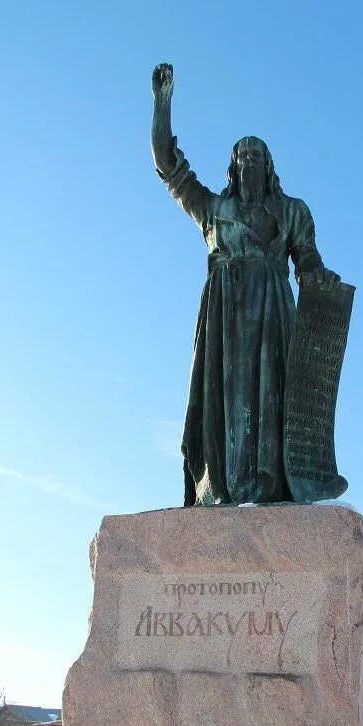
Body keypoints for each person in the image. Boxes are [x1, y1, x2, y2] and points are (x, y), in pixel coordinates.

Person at [151, 63, 340, 506]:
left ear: (270, 167)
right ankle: (221, 485)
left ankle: (270, 482)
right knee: (224, 400)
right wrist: (162, 105)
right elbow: (167, 164)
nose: (250, 162)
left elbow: (308, 263)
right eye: (243, 157)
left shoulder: (293, 211)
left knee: (270, 394)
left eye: (258, 157)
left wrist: (321, 277)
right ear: (232, 168)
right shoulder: (212, 209)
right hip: (224, 316)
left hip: (272, 310)